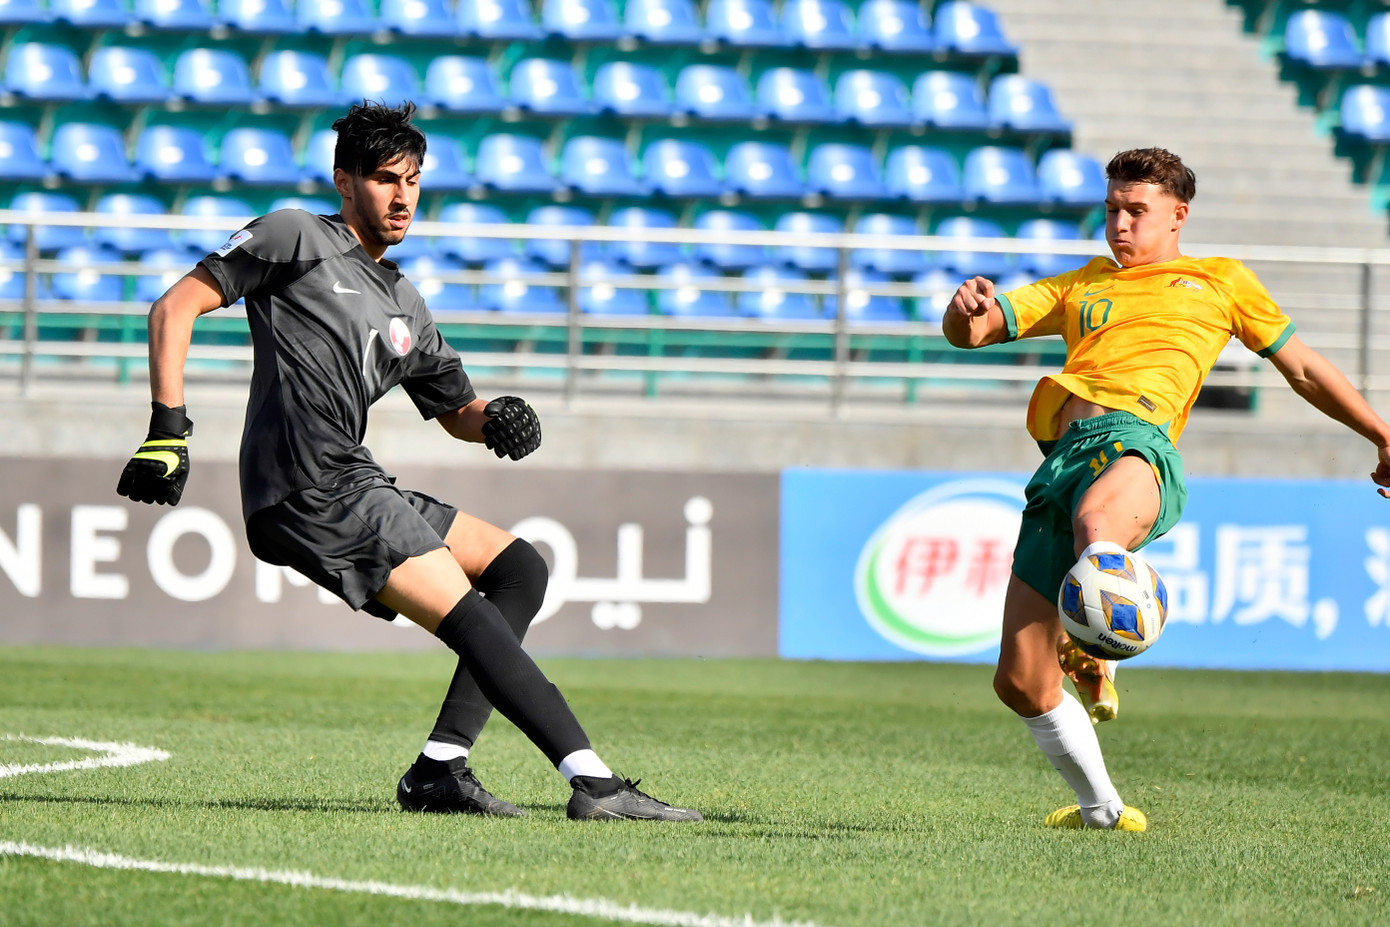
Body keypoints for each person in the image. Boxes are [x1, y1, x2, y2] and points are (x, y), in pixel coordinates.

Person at [116, 100, 701, 823]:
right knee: (466, 617)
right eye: (386, 178)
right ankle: (596, 783)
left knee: (521, 567)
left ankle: (440, 769)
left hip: (354, 480)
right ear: (344, 181)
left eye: (414, 180)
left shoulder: (404, 301)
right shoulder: (294, 234)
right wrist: (168, 429)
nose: (402, 197)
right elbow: (173, 308)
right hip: (310, 486)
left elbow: (458, 411)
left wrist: (498, 421)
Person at [943, 147, 1390, 831]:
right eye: (1112, 210)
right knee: (1021, 680)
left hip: (1138, 447)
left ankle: (1095, 644)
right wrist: (961, 308)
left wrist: (1381, 435)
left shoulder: (1219, 281)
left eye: (1136, 211)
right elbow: (974, 331)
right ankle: (1102, 808)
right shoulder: (1081, 285)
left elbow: (1301, 367)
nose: (1120, 224)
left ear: (1178, 216)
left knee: (1099, 525)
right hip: (1060, 463)